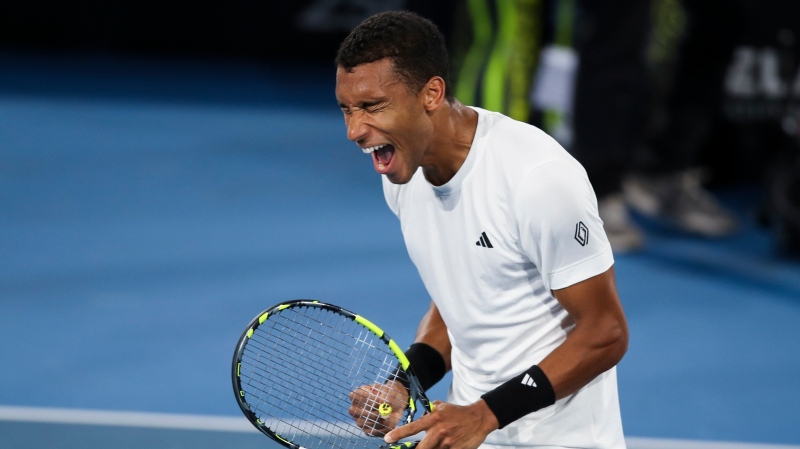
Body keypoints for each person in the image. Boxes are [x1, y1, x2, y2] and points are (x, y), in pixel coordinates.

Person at [335, 10, 629, 449]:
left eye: (373, 107)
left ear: (431, 93)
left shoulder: (536, 178)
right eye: (347, 109)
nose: (354, 130)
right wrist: (405, 381)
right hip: (469, 433)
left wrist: (487, 413)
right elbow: (461, 299)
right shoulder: (401, 175)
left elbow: (605, 333)